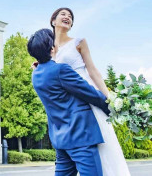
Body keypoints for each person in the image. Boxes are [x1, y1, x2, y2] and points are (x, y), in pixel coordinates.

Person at [50, 7, 130, 176]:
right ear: (53, 21)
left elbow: (93, 71)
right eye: (63, 14)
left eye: (70, 16)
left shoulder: (78, 42)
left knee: (100, 143)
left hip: (87, 95)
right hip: (65, 102)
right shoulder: (47, 49)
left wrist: (109, 99)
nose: (67, 17)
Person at [28, 28, 110, 176]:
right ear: (53, 48)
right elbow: (89, 92)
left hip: (60, 138)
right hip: (80, 135)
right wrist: (112, 108)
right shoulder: (60, 70)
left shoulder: (36, 75)